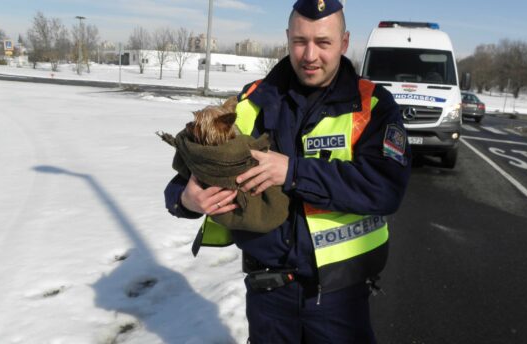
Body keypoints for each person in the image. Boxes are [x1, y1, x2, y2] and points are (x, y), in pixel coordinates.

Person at [164, 0, 411, 342]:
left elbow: (385, 188)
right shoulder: (251, 103)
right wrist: (187, 201)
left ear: (344, 42)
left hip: (339, 299)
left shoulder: (372, 106)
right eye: (300, 41)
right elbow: (186, 181)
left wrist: (293, 172)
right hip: (267, 297)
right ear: (287, 38)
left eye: (323, 42)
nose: (310, 54)